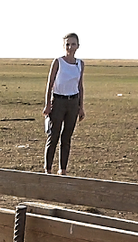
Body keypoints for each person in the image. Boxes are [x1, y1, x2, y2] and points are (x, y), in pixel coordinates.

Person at [42, 33, 85, 176]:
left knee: (67, 137)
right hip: (58, 101)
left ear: (77, 46)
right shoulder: (58, 62)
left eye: (73, 44)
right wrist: (48, 104)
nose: (70, 47)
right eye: (67, 44)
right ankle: (48, 169)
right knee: (53, 135)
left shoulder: (80, 64)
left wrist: (81, 107)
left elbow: (80, 86)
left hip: (72, 102)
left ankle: (63, 169)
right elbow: (50, 84)